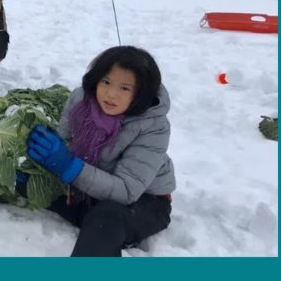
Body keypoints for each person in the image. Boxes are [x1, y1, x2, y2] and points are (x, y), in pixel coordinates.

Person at [25, 46, 176, 256]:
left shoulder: (153, 126)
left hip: (142, 202)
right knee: (24, 181)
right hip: (89, 191)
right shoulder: (80, 100)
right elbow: (65, 140)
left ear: (141, 93)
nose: (111, 94)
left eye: (125, 88)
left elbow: (126, 191)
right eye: (106, 82)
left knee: (105, 219)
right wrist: (46, 151)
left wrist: (69, 166)